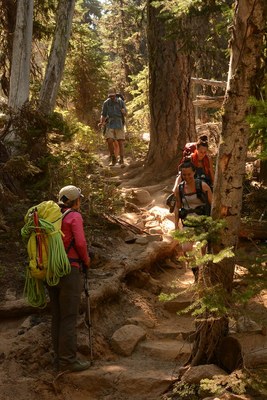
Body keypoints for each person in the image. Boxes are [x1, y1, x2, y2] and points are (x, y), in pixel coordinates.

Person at [47, 185, 91, 373]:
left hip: (51, 271)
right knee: (68, 317)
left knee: (57, 316)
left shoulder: (51, 216)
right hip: (69, 270)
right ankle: (68, 361)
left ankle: (58, 359)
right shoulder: (74, 216)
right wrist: (87, 261)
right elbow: (80, 243)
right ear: (75, 201)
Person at [174, 161, 213, 281]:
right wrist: (176, 225)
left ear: (194, 173)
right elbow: (177, 207)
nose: (186, 177)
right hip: (188, 223)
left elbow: (212, 205)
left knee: (204, 249)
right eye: (184, 175)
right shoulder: (179, 189)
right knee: (186, 249)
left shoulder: (203, 186)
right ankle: (196, 273)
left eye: (189, 174)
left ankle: (206, 275)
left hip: (203, 222)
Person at [99, 88, 127, 166]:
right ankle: (113, 158)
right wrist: (101, 122)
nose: (112, 97)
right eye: (110, 96)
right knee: (109, 140)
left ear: (115, 94)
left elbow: (125, 113)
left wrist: (124, 111)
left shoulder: (120, 102)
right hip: (110, 123)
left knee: (120, 142)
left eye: (113, 96)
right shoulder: (106, 103)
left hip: (119, 122)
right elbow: (103, 114)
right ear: (108, 96)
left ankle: (121, 160)